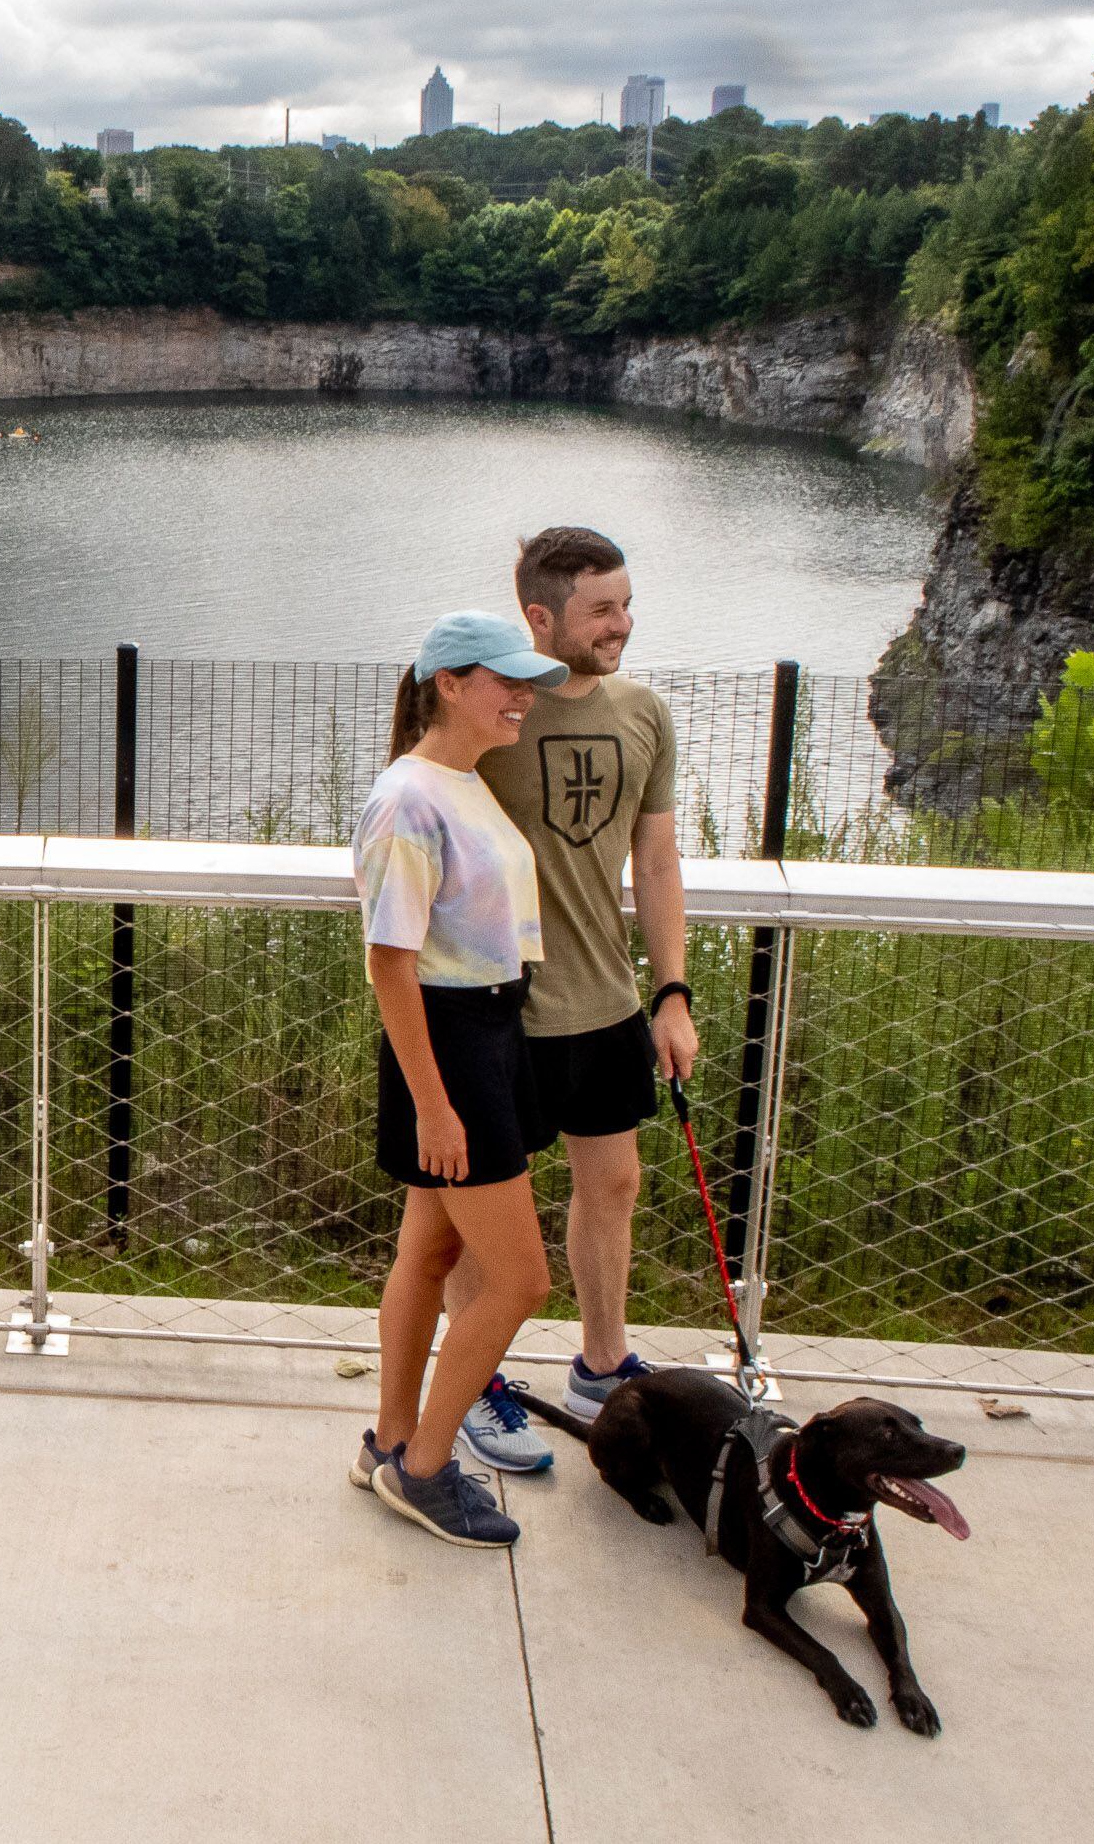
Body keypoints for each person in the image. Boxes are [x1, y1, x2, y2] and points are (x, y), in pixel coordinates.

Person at [445, 526, 699, 1477]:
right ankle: (475, 1382)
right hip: (500, 1008)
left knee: (616, 1185)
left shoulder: (645, 714)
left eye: (626, 605)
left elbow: (658, 859)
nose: (623, 625)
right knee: (478, 1214)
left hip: (606, 1000)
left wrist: (672, 992)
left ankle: (600, 1365)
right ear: (540, 616)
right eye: (603, 609)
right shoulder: (495, 713)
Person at [350, 610, 568, 1549]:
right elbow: (389, 963)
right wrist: (436, 1105)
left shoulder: (462, 783)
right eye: (504, 680)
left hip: (487, 1031)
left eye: (528, 681)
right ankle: (428, 1469)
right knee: (520, 1280)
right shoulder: (408, 799)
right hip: (448, 1043)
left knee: (430, 1257)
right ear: (448, 683)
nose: (522, 697)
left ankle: (390, 1444)